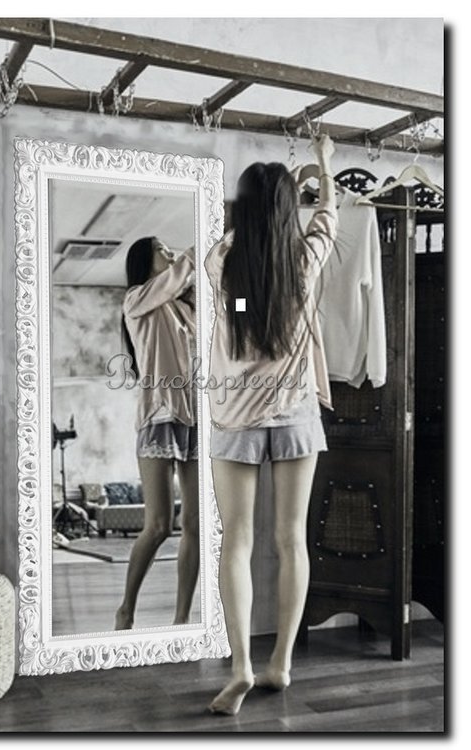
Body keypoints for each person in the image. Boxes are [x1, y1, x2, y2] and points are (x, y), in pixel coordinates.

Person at [203, 134, 338, 715]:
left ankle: (240, 665)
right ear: (287, 211)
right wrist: (323, 167)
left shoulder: (223, 266)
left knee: (237, 540)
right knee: (290, 540)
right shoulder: (303, 264)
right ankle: (280, 662)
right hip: (295, 416)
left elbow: (237, 303)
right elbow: (327, 217)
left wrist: (254, 214)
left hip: (236, 415)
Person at [115, 236, 200, 630]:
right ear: (144, 262)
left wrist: (242, 295)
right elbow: (175, 276)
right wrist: (197, 251)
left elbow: (235, 312)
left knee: (195, 525)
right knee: (159, 526)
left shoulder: (186, 307)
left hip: (195, 419)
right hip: (157, 417)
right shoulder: (136, 300)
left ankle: (182, 619)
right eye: (161, 250)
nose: (170, 253)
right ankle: (126, 608)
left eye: (170, 249)